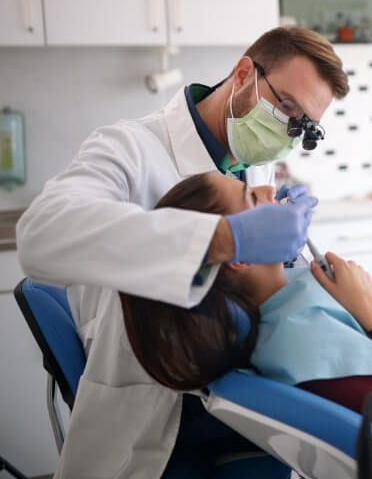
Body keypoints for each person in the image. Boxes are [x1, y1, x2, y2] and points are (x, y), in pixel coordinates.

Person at [16, 27, 349, 478]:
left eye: (304, 125)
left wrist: (289, 255)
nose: (289, 132)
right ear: (244, 73)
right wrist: (225, 238)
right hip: (158, 395)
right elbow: (41, 234)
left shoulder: (254, 163)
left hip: (234, 376)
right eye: (286, 107)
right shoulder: (129, 148)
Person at [122, 172, 372, 479]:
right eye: (252, 197)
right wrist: (371, 312)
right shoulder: (300, 346)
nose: (268, 188)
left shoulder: (301, 289)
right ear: (238, 258)